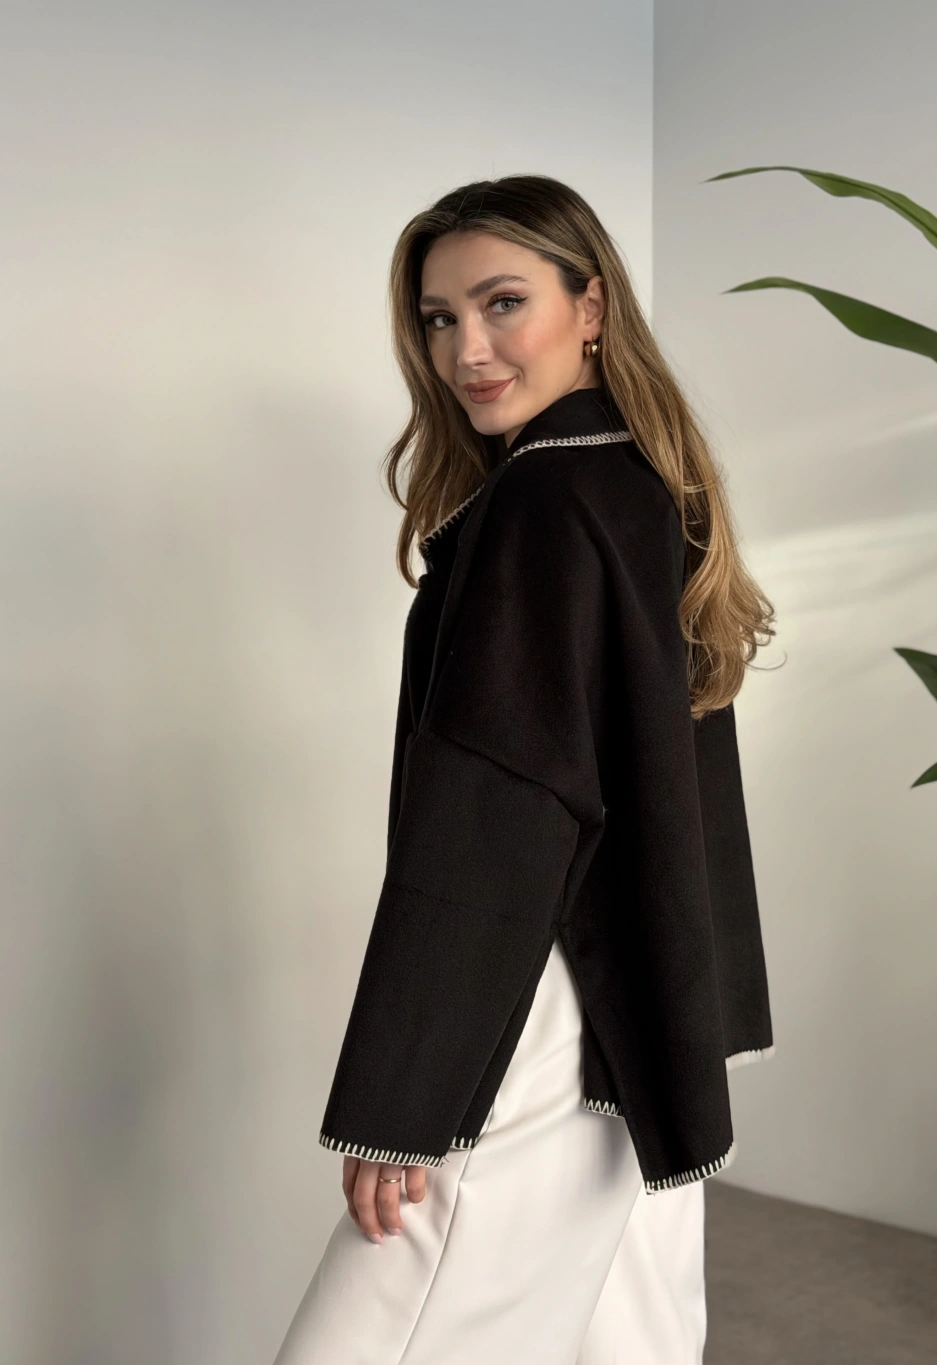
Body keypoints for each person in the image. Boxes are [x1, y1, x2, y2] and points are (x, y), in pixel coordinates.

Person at [272, 173, 777, 1365]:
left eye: (503, 303)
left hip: (540, 995)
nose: (467, 350)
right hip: (643, 998)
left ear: (589, 306)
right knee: (633, 1339)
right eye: (439, 318)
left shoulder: (543, 504)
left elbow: (492, 815)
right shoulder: (646, 486)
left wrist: (405, 1097)